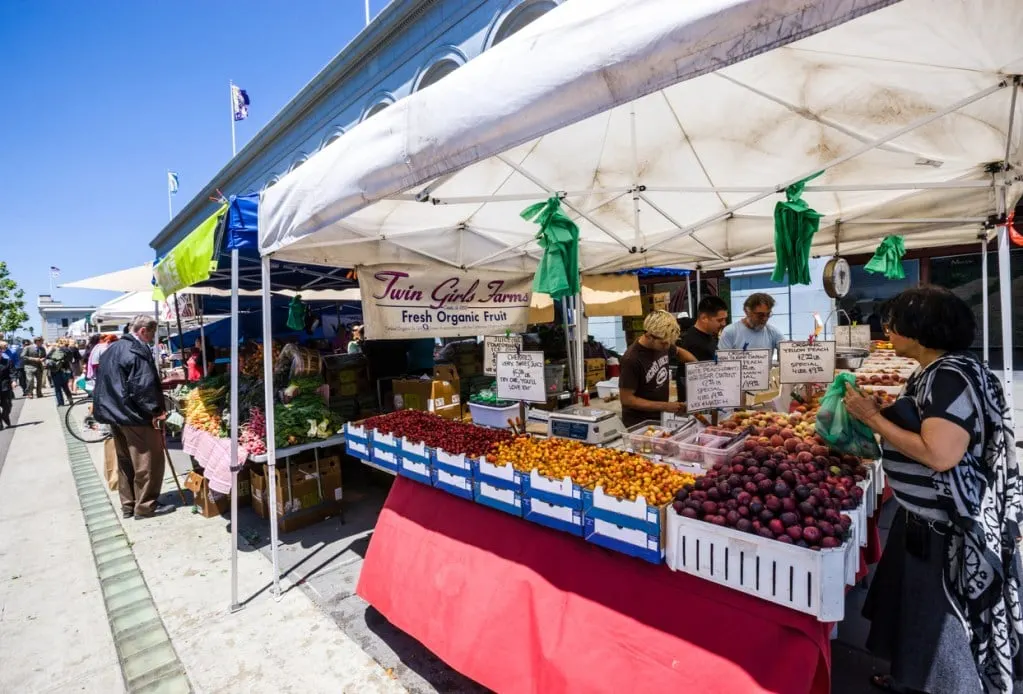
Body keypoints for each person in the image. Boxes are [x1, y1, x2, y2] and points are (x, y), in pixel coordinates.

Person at [842, 287, 1023, 694]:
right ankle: (912, 678)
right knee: (915, 614)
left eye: (895, 324)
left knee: (941, 623)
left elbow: (939, 454)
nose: (888, 331)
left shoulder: (949, 376)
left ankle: (941, 686)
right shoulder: (947, 370)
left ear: (920, 332)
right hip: (926, 520)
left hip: (948, 528)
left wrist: (873, 418)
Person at [93, 316, 173, 520]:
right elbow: (142, 386)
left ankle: (128, 505)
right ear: (143, 330)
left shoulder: (112, 348)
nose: (152, 338)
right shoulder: (135, 351)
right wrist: (156, 410)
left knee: (126, 462)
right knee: (148, 461)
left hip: (115, 414)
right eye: (152, 333)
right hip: (133, 415)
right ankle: (145, 506)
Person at [619, 310, 696, 427]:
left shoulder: (663, 343)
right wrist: (665, 406)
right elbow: (627, 399)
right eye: (664, 343)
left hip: (660, 418)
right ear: (649, 335)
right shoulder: (631, 359)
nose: (667, 347)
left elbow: (679, 352)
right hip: (639, 423)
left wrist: (698, 367)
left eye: (669, 343)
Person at [676, 296, 729, 401]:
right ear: (704, 318)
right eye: (720, 320)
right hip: (698, 404)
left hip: (713, 399)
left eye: (725, 319)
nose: (724, 324)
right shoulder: (689, 341)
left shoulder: (710, 336)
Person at [718, 292, 785, 355]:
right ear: (747, 311)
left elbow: (787, 351)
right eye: (760, 315)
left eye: (768, 314)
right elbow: (723, 363)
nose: (765, 318)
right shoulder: (730, 332)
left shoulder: (773, 332)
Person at [47, 338, 74, 406]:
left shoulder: (54, 349)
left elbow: (47, 358)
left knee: (57, 388)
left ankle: (60, 402)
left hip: (55, 371)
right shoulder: (68, 350)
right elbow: (71, 360)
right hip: (65, 370)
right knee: (65, 386)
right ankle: (70, 400)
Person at [0, 347, 13, 429]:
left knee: (8, 405)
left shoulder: (7, 361)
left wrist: (14, 381)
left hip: (5, 386)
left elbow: (12, 372)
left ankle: (5, 416)